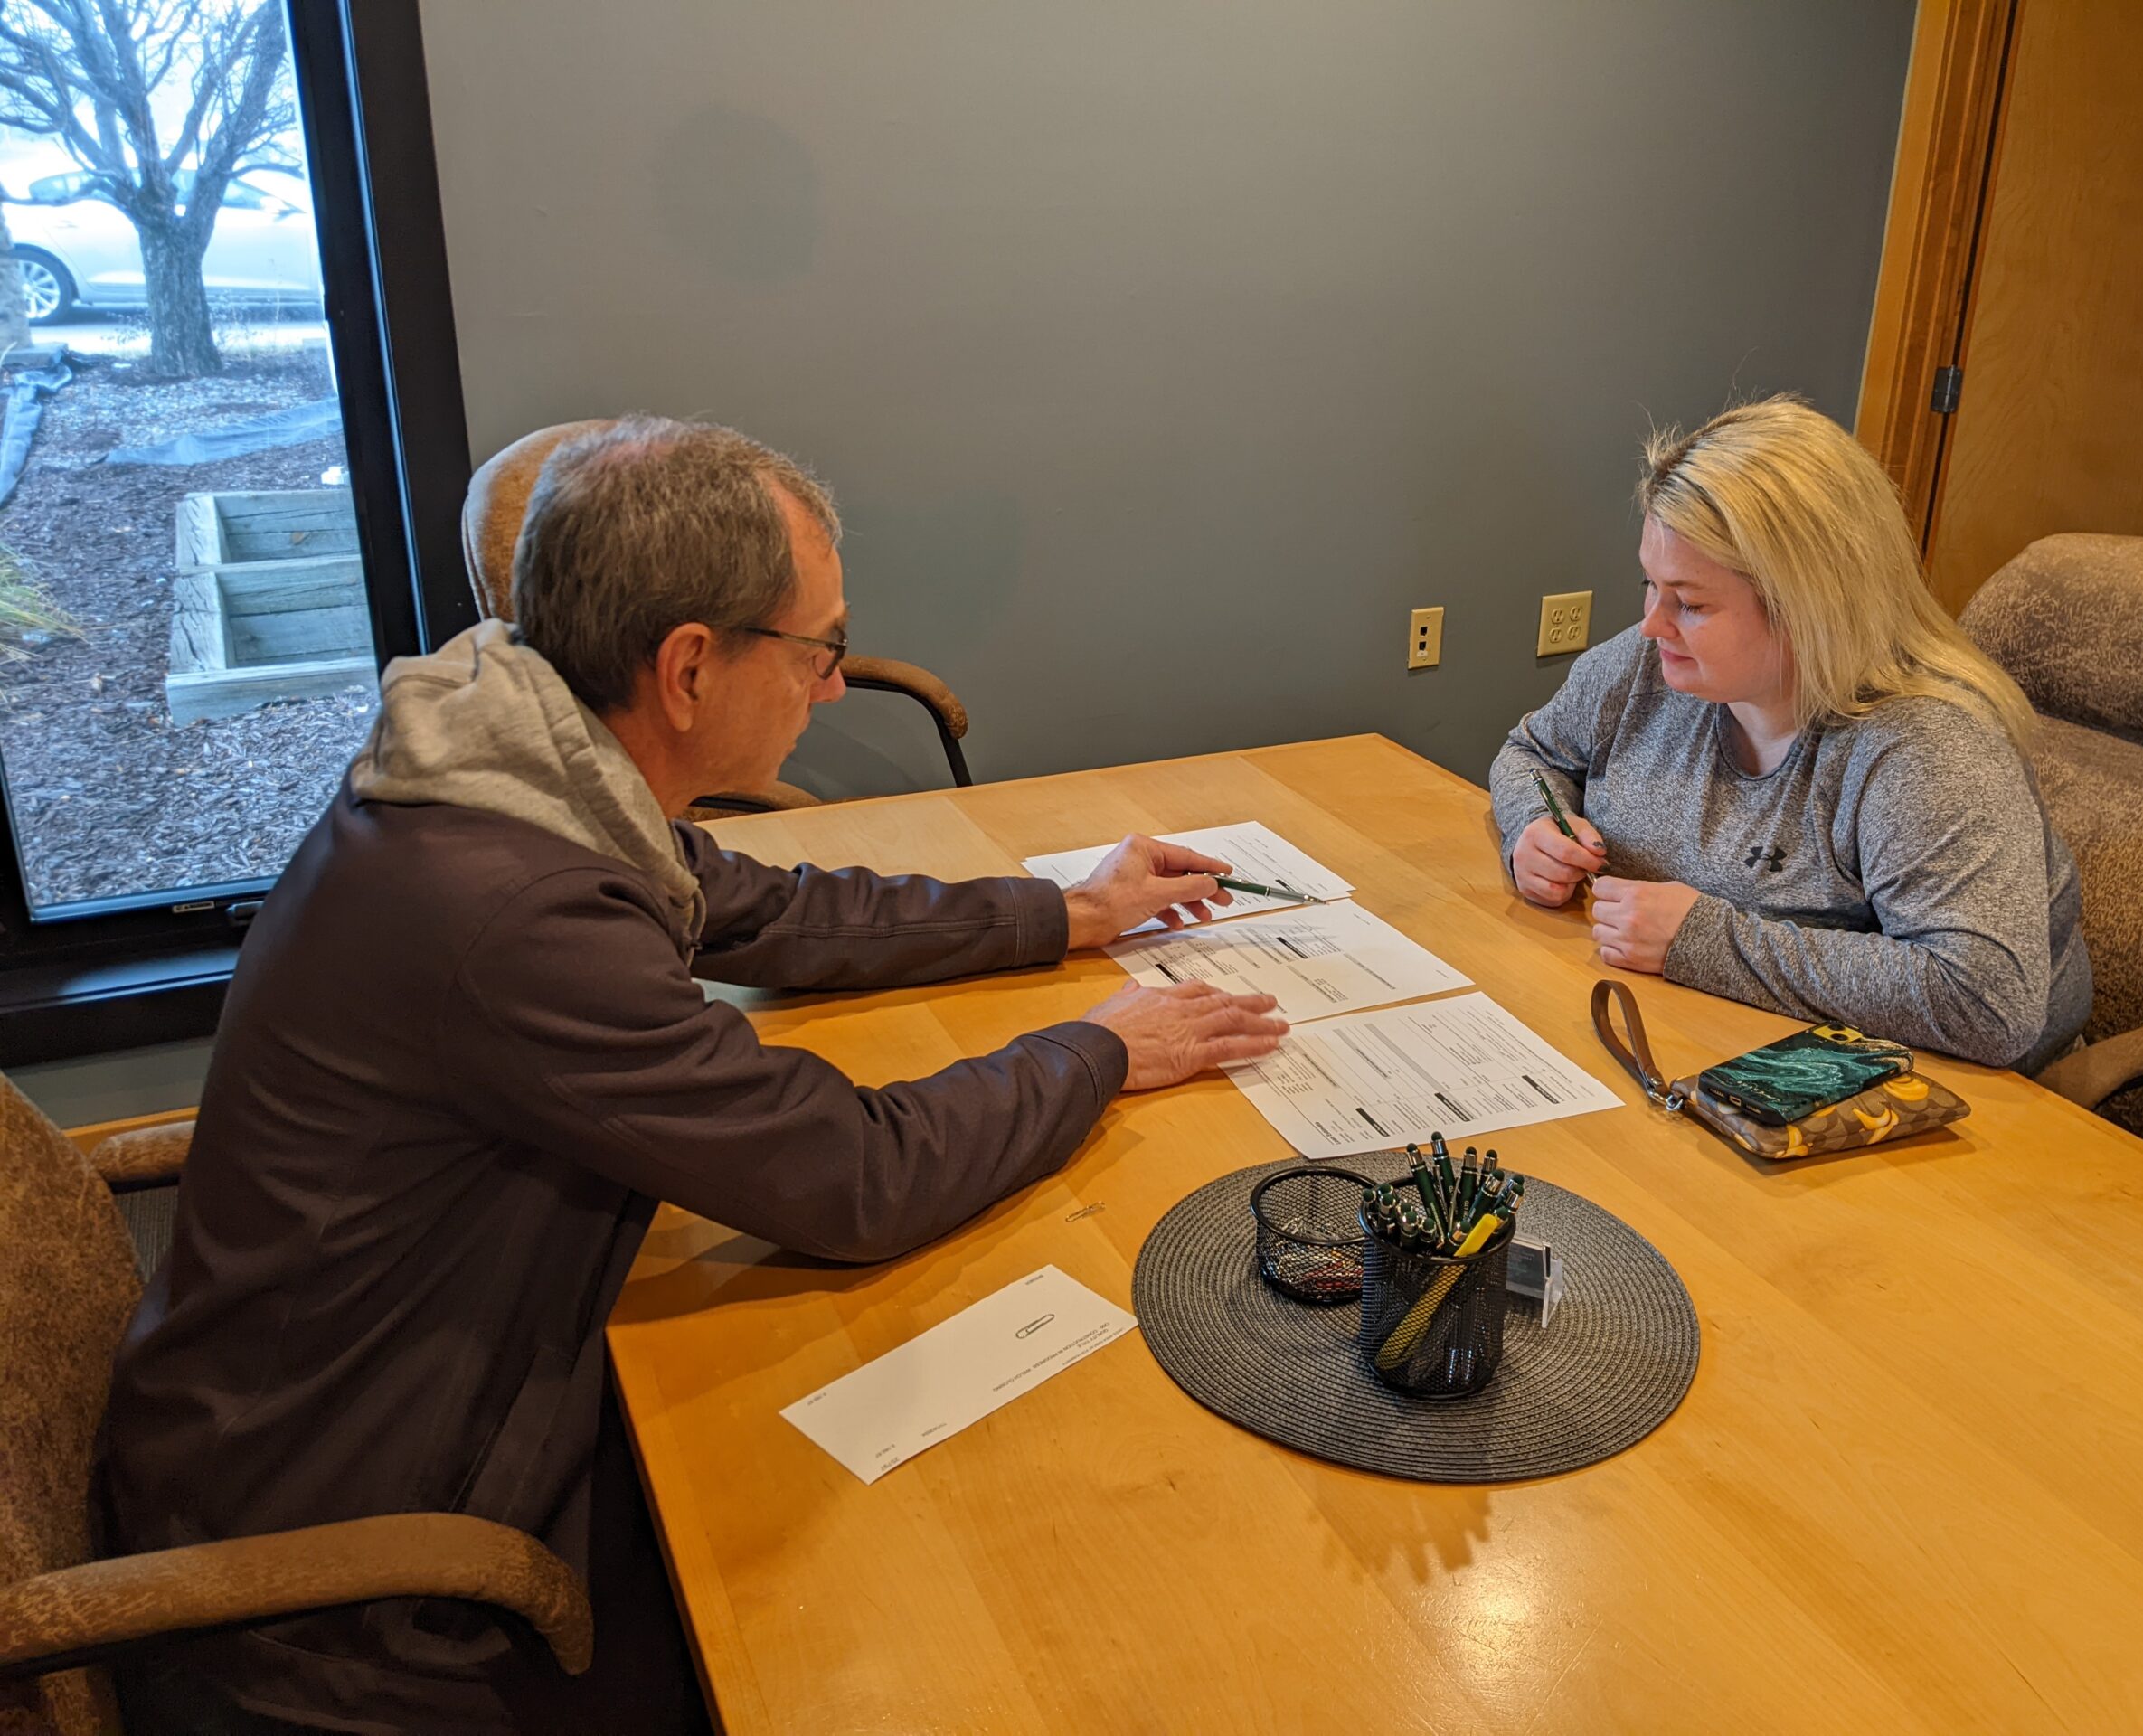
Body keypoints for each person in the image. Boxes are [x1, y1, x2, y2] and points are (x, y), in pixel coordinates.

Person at [99, 416, 1287, 1734]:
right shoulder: (517, 914)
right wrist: (1102, 1049)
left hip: (381, 1405)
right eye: (819, 650)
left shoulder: (518, 756)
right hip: (338, 1588)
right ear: (687, 667)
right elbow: (852, 1177)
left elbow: (767, 910)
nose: (835, 686)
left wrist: (1061, 913)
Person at [1489, 394, 2090, 1073]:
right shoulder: (1651, 665)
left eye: (1690, 602)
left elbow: (1984, 1000)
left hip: (1930, 1114)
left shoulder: (1927, 749)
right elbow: (1534, 753)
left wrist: (1700, 940)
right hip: (1685, 1038)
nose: (1653, 624)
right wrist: (1536, 827)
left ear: (1809, 605)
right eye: (1649, 585)